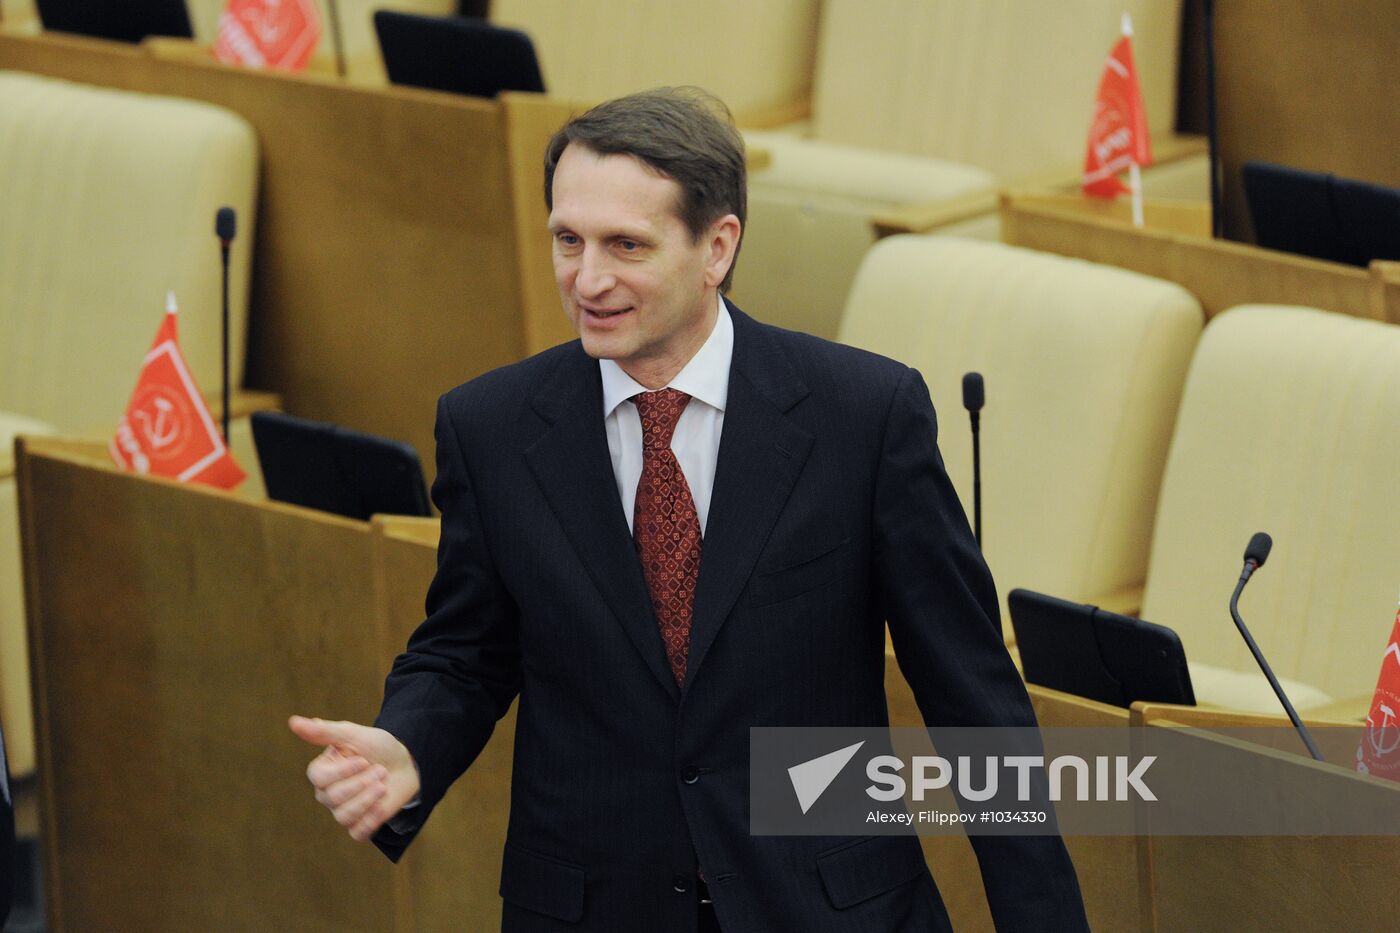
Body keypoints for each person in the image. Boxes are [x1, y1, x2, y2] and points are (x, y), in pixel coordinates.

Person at [291, 87, 1088, 932]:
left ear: (717, 246)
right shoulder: (489, 426)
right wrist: (410, 742)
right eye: (568, 239)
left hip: (826, 906)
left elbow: (973, 701)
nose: (586, 278)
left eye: (625, 245)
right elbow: (465, 650)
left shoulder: (862, 416)